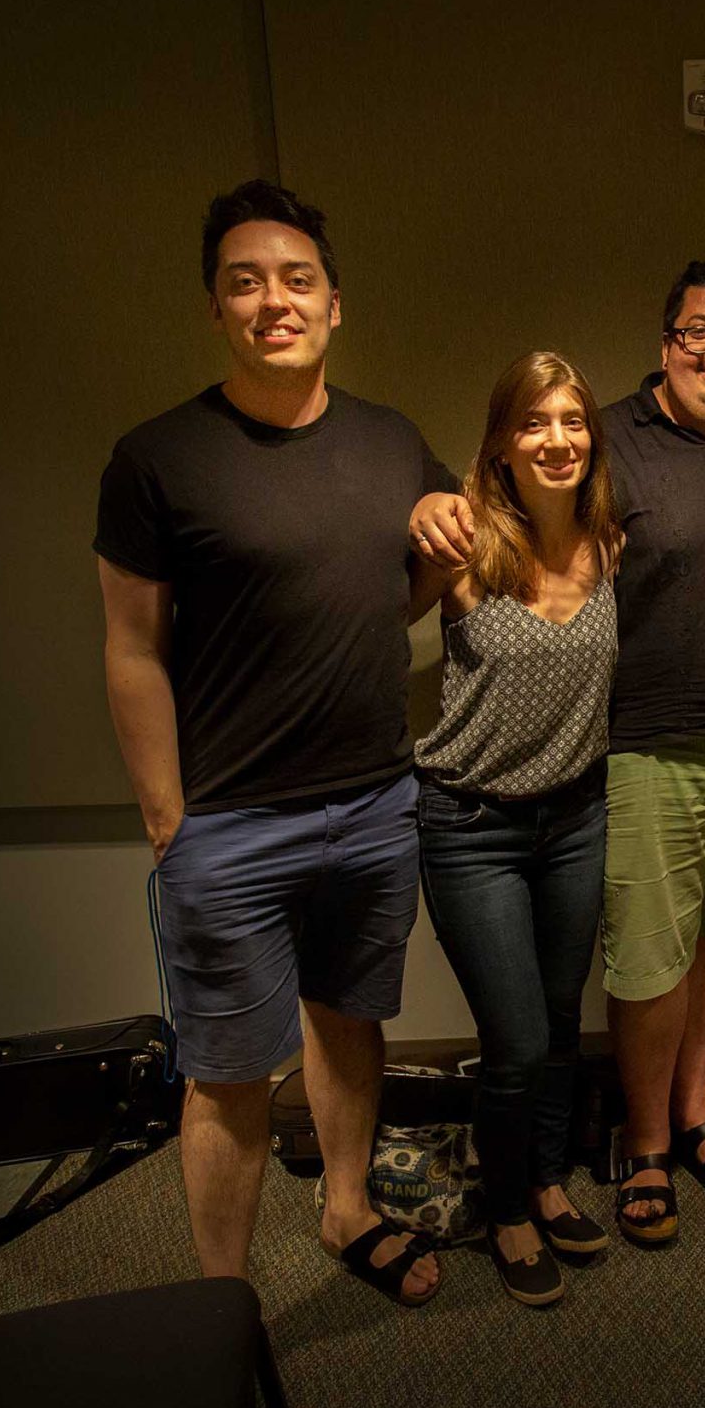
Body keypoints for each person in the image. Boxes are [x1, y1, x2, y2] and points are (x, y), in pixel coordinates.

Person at [94, 179, 451, 1305]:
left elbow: (405, 583)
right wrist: (167, 816)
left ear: (334, 303)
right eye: (245, 283)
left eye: (297, 280)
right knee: (228, 1073)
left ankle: (348, 1209)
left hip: (376, 803)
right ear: (216, 307)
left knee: (350, 1025)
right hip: (229, 823)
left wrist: (438, 541)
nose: (273, 301)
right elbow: (131, 648)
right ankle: (221, 1303)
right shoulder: (158, 458)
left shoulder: (392, 440)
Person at [412, 263, 705, 1246]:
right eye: (697, 332)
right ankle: (627, 1148)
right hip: (581, 776)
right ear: (664, 346)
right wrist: (419, 508)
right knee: (606, 986)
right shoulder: (571, 471)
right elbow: (382, 590)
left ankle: (652, 1132)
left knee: (688, 958)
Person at [409, 351, 622, 1305]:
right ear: (501, 443)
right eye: (534, 422)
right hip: (472, 826)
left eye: (572, 420)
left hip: (575, 818)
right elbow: (371, 613)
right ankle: (505, 1210)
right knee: (519, 1039)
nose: (556, 439)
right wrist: (420, 510)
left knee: (564, 1023)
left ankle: (544, 1180)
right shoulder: (462, 546)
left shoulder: (610, 543)